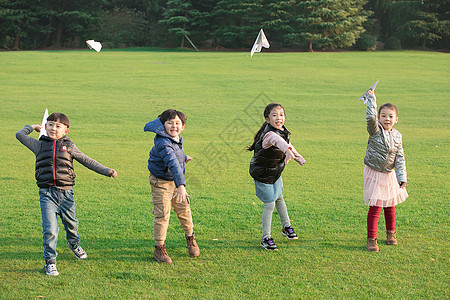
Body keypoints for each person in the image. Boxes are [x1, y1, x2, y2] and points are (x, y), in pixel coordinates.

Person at [16, 112, 117, 276]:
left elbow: (87, 160)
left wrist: (107, 171)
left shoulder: (69, 146)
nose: (53, 128)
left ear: (65, 131)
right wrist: (32, 127)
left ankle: (74, 244)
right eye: (50, 125)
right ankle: (50, 262)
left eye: (57, 126)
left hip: (66, 195)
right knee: (50, 230)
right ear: (45, 127)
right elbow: (19, 135)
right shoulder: (39, 145)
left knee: (72, 225)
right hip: (47, 194)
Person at [248, 103, 306, 251]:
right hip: (263, 174)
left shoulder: (282, 131)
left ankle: (286, 227)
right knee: (270, 203)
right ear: (267, 119)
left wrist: (297, 156)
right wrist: (286, 150)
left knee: (279, 197)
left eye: (281, 115)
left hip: (274, 172)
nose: (279, 118)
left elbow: (287, 143)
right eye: (274, 115)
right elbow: (278, 142)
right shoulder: (269, 134)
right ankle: (265, 238)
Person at [144, 109, 199, 263]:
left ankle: (190, 238)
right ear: (163, 125)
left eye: (177, 123)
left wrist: (184, 157)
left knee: (185, 210)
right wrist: (181, 185)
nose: (174, 126)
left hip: (175, 180)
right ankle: (159, 248)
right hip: (161, 183)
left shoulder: (176, 138)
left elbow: (176, 155)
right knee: (163, 214)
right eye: (170, 123)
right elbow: (173, 163)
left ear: (183, 127)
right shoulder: (163, 142)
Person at [362, 90, 408, 252]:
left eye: (390, 116)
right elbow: (370, 118)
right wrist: (371, 99)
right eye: (383, 116)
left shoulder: (397, 136)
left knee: (390, 205)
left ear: (396, 119)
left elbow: (400, 158)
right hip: (374, 173)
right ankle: (371, 238)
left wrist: (401, 177)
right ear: (379, 118)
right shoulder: (375, 132)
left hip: (389, 174)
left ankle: (391, 233)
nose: (387, 119)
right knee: (376, 206)